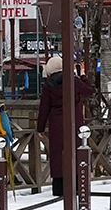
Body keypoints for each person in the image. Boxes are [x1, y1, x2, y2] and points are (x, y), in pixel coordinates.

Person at [36, 55, 94, 197]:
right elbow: (89, 91)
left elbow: (44, 108)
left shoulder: (48, 85)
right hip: (75, 121)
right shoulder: (73, 81)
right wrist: (83, 76)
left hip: (56, 124)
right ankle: (78, 183)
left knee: (57, 154)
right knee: (77, 150)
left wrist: (40, 128)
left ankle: (59, 187)